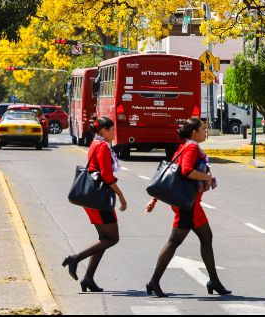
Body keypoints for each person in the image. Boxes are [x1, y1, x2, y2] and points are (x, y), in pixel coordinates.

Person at [144, 117, 231, 298]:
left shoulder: (185, 146)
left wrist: (155, 199)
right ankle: (154, 281)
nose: (205, 131)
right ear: (194, 132)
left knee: (206, 238)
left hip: (190, 204)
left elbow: (172, 175)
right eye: (203, 129)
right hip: (187, 205)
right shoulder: (191, 147)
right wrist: (206, 178)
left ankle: (214, 281)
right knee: (175, 242)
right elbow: (185, 171)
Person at [61, 117, 127, 292]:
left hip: (92, 198)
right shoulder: (103, 146)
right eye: (112, 130)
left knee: (104, 239)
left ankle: (88, 278)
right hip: (99, 199)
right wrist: (121, 196)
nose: (114, 133)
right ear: (103, 130)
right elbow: (106, 175)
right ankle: (75, 259)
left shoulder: (95, 143)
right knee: (112, 238)